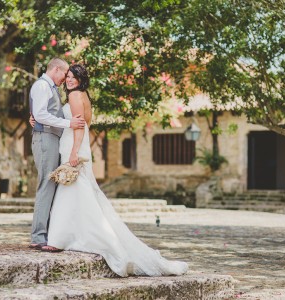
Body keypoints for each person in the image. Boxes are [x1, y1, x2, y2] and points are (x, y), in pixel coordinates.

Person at [41, 64, 188, 277]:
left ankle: (64, 239)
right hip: (78, 145)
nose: (69, 80)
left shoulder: (74, 96)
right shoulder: (84, 96)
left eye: (73, 77)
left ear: (81, 80)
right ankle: (66, 237)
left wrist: (74, 151)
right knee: (79, 191)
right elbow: (84, 123)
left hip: (74, 146)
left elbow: (80, 126)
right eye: (69, 77)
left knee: (74, 190)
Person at [29, 58, 86, 249]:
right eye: (65, 74)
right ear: (56, 69)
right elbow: (41, 114)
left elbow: (43, 114)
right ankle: (38, 236)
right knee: (46, 184)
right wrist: (67, 123)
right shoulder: (42, 86)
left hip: (52, 139)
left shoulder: (50, 88)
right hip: (45, 138)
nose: (65, 79)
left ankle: (47, 233)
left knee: (51, 185)